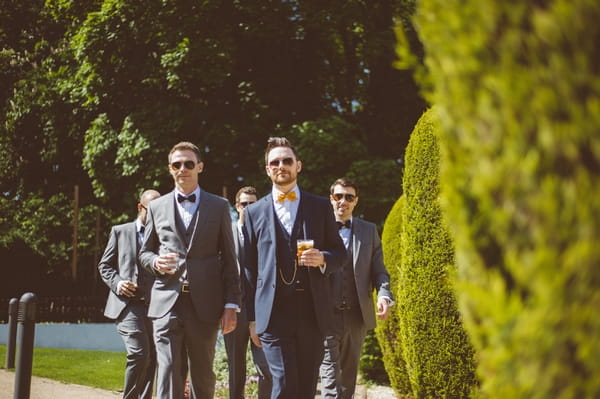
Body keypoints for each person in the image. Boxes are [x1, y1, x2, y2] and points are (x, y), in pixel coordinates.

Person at [242, 137, 346, 399]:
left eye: (287, 161)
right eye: (274, 162)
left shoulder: (320, 206)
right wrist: (252, 319)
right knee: (284, 384)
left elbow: (340, 253)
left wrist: (323, 258)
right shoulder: (254, 212)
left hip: (312, 309)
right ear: (267, 169)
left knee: (306, 386)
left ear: (298, 166)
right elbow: (249, 269)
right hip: (273, 312)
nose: (281, 166)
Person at [139, 141, 241, 399]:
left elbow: (230, 260)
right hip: (166, 301)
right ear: (170, 169)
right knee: (168, 371)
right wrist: (155, 262)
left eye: (188, 164)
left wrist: (231, 304)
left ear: (200, 167)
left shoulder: (218, 206)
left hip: (205, 304)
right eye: (177, 164)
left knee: (203, 374)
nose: (182, 169)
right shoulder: (157, 206)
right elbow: (144, 253)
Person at [319, 177, 394, 399]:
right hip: (325, 314)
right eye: (338, 196)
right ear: (330, 199)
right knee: (330, 377)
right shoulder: (316, 228)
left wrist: (384, 296)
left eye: (349, 197)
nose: (343, 201)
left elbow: (379, 271)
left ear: (356, 201)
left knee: (348, 379)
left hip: (356, 316)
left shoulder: (368, 231)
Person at [98, 189, 161, 399]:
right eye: (151, 210)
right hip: (127, 304)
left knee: (154, 358)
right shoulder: (120, 231)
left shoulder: (163, 236)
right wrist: (118, 283)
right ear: (140, 207)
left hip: (154, 305)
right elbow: (104, 266)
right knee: (139, 353)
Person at [224, 186, 272, 399]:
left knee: (266, 368)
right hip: (233, 310)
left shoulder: (267, 236)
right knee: (236, 369)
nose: (249, 208)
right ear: (237, 206)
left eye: (253, 204)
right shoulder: (225, 235)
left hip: (262, 313)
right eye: (244, 204)